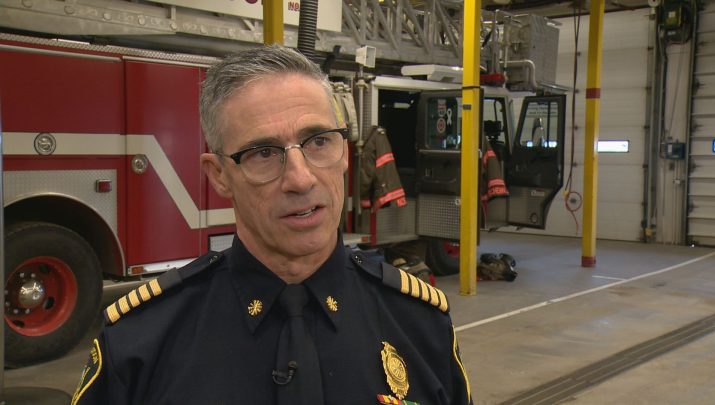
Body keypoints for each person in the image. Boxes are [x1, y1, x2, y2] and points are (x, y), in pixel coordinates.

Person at [71, 44, 473, 405]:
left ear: (345, 153)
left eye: (319, 141)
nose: (301, 178)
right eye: (264, 152)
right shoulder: (141, 343)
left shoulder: (420, 324)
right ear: (218, 176)